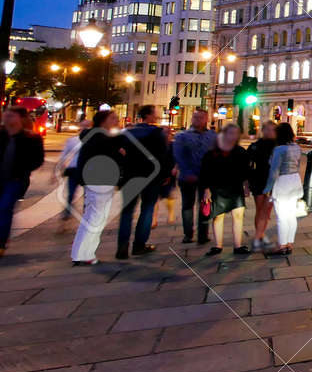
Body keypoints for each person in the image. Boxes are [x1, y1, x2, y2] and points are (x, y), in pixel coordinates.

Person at [116, 105, 174, 259]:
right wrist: (166, 174)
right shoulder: (157, 133)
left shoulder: (127, 132)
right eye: (155, 114)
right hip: (151, 176)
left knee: (127, 212)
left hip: (130, 176)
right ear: (148, 116)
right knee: (147, 210)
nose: (156, 116)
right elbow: (164, 155)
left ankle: (122, 246)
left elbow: (118, 153)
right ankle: (139, 245)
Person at [70, 110, 123, 265]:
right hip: (99, 181)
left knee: (95, 218)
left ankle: (86, 253)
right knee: (95, 218)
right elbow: (112, 156)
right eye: (113, 118)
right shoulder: (100, 138)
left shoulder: (97, 136)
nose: (117, 120)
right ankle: (81, 254)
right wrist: (119, 152)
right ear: (103, 121)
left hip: (99, 181)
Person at [0, 107, 45, 258]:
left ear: (20, 119)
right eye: (5, 115)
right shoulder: (1, 134)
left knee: (5, 208)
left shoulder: (31, 138)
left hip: (15, 179)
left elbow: (38, 160)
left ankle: (1, 243)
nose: (7, 118)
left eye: (11, 116)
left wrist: (23, 170)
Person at [200, 123, 251, 256]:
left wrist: (246, 186)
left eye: (235, 133)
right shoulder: (213, 153)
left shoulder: (240, 151)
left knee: (238, 216)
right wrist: (206, 189)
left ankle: (238, 246)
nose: (233, 136)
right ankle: (218, 246)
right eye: (230, 133)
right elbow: (205, 172)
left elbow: (246, 171)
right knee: (218, 217)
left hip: (235, 188)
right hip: (217, 188)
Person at [172, 109, 217, 244]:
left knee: (205, 205)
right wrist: (187, 172)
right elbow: (179, 156)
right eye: (196, 117)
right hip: (187, 177)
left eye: (201, 117)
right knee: (187, 205)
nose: (198, 120)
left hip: (206, 177)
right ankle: (188, 234)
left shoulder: (212, 136)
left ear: (206, 119)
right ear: (192, 119)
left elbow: (216, 155)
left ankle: (203, 234)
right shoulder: (182, 136)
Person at [265, 122, 303, 256]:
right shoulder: (297, 148)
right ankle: (289, 244)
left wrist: (267, 189)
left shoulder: (279, 150)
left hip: (283, 182)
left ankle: (282, 245)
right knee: (291, 215)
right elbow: (298, 166)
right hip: (295, 180)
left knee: (282, 216)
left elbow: (274, 171)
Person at [53, 119, 91, 228]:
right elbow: (64, 154)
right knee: (71, 194)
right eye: (83, 126)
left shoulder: (92, 141)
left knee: (87, 195)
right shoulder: (73, 140)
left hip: (86, 171)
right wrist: (58, 167)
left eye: (87, 126)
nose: (85, 128)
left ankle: (85, 216)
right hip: (74, 170)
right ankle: (67, 214)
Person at [247, 121, 277, 252]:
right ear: (262, 130)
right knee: (260, 210)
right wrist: (246, 184)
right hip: (258, 180)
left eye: (272, 130)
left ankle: (260, 235)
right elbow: (247, 165)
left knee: (266, 211)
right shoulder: (255, 146)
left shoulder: (278, 146)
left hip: (273, 181)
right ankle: (259, 236)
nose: (270, 132)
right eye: (267, 129)